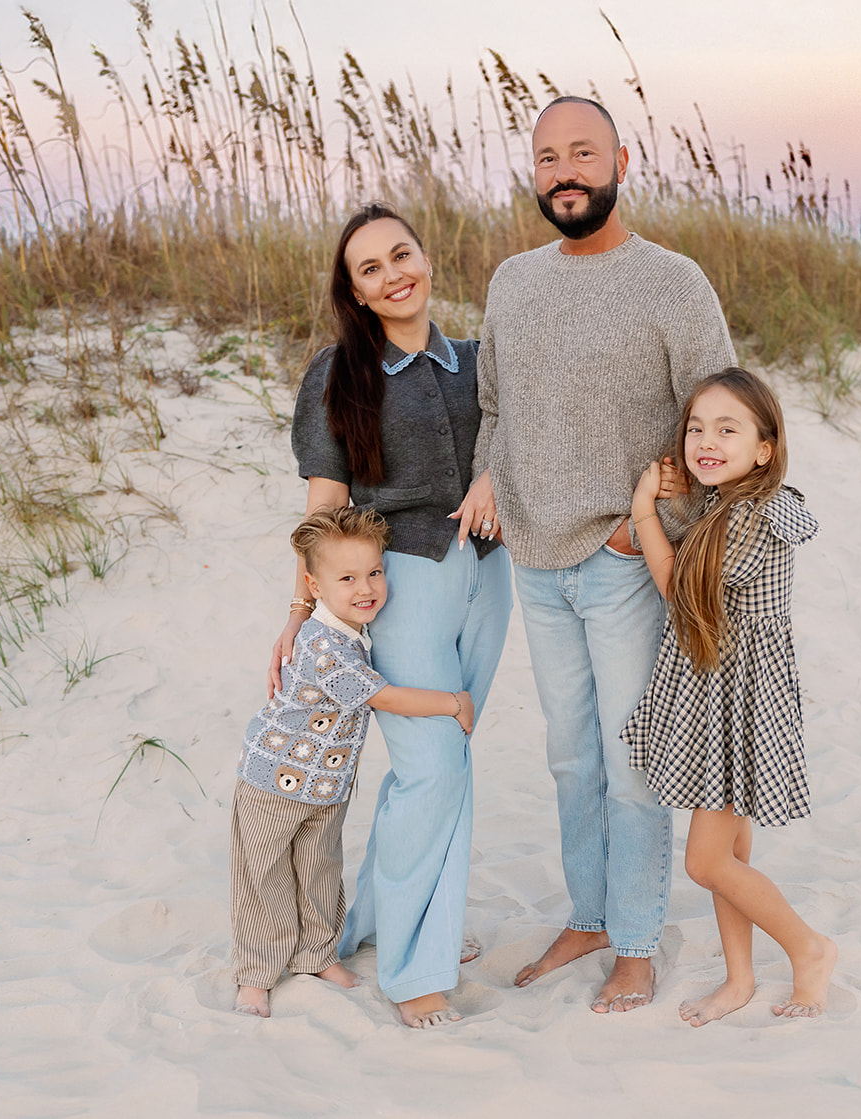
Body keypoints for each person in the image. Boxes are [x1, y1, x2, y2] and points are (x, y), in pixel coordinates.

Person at [455, 95, 737, 1013]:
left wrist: (644, 522)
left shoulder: (674, 282)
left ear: (621, 158)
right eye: (547, 158)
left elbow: (719, 420)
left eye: (582, 153)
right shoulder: (512, 280)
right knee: (570, 756)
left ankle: (637, 942)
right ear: (533, 173)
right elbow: (495, 405)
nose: (564, 172)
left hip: (622, 561)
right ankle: (588, 912)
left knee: (628, 759)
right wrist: (489, 474)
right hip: (533, 558)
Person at [273, 203, 513, 1029]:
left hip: (491, 572)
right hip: (403, 578)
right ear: (356, 292)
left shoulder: (481, 359)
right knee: (432, 765)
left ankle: (374, 920)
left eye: (400, 254)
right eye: (369, 269)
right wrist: (302, 612)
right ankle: (416, 970)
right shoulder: (338, 373)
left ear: (425, 257)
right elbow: (325, 508)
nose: (392, 274)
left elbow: (517, 443)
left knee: (450, 755)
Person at [622, 368, 837, 1026]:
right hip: (725, 692)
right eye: (696, 428)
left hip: (737, 698)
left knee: (706, 860)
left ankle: (810, 947)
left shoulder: (751, 516)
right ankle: (739, 977)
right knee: (732, 854)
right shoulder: (729, 506)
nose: (706, 440)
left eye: (728, 428)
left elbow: (680, 596)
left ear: (764, 447)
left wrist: (642, 514)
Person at [232, 506, 476, 1019]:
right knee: (265, 878)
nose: (366, 588)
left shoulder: (351, 631)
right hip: (272, 783)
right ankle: (256, 975)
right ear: (314, 586)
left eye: (374, 572)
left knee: (321, 871)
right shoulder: (323, 644)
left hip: (324, 788)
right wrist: (453, 702)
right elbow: (382, 697)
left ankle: (317, 955)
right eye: (347, 578)